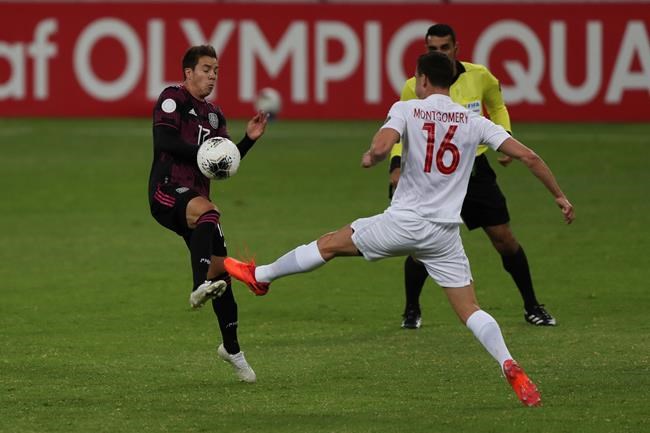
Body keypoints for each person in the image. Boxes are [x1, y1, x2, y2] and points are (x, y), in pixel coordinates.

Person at [225, 51, 574, 406]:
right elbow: (529, 156)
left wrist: (372, 156)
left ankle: (261, 276)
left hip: (403, 222)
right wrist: (560, 196)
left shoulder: (408, 109)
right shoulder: (474, 121)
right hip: (444, 235)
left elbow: (382, 145)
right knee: (470, 309)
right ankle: (507, 362)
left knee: (329, 244)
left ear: (423, 80)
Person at [391, 24, 557, 329]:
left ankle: (532, 305)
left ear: (456, 48)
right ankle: (411, 310)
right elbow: (401, 130)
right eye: (432, 49)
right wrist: (395, 166)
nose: (439, 53)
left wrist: (505, 137)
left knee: (504, 239)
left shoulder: (480, 76)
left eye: (444, 47)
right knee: (421, 247)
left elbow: (497, 106)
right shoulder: (415, 85)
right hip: (433, 176)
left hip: (475, 170)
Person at [148, 45, 269, 383]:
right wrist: (204, 151)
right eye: (206, 69)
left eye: (215, 70)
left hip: (198, 203)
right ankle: (197, 285)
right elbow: (165, 142)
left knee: (222, 276)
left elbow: (222, 164)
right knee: (209, 212)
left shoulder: (215, 115)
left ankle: (232, 349)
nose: (212, 76)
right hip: (167, 190)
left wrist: (248, 141)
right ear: (188, 72)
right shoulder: (172, 98)